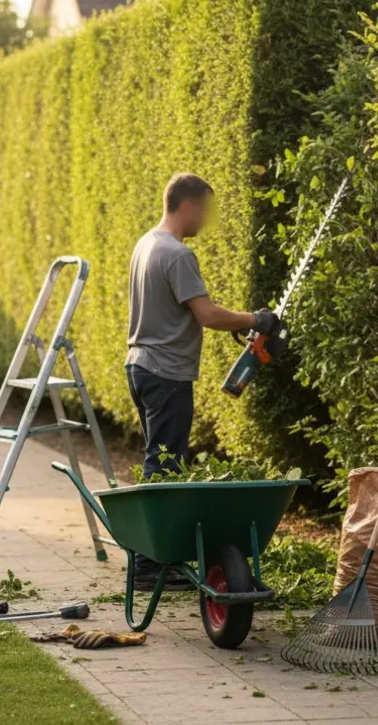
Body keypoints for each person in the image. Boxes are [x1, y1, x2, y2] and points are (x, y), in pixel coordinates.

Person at [125, 172, 278, 589]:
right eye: (204, 210)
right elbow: (207, 314)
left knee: (159, 460)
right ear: (188, 205)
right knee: (165, 465)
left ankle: (153, 559)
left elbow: (177, 312)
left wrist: (238, 324)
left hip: (140, 366)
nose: (206, 220)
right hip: (166, 372)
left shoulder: (146, 244)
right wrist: (256, 319)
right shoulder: (177, 254)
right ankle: (147, 567)